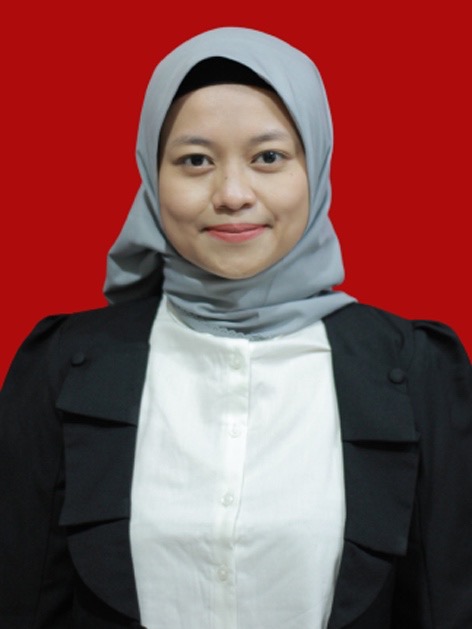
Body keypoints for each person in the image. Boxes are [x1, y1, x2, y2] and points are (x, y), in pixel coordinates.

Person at [0, 26, 471, 629]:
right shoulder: (63, 364)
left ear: (316, 166)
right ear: (151, 176)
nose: (232, 193)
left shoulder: (417, 370)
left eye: (268, 157)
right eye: (195, 160)